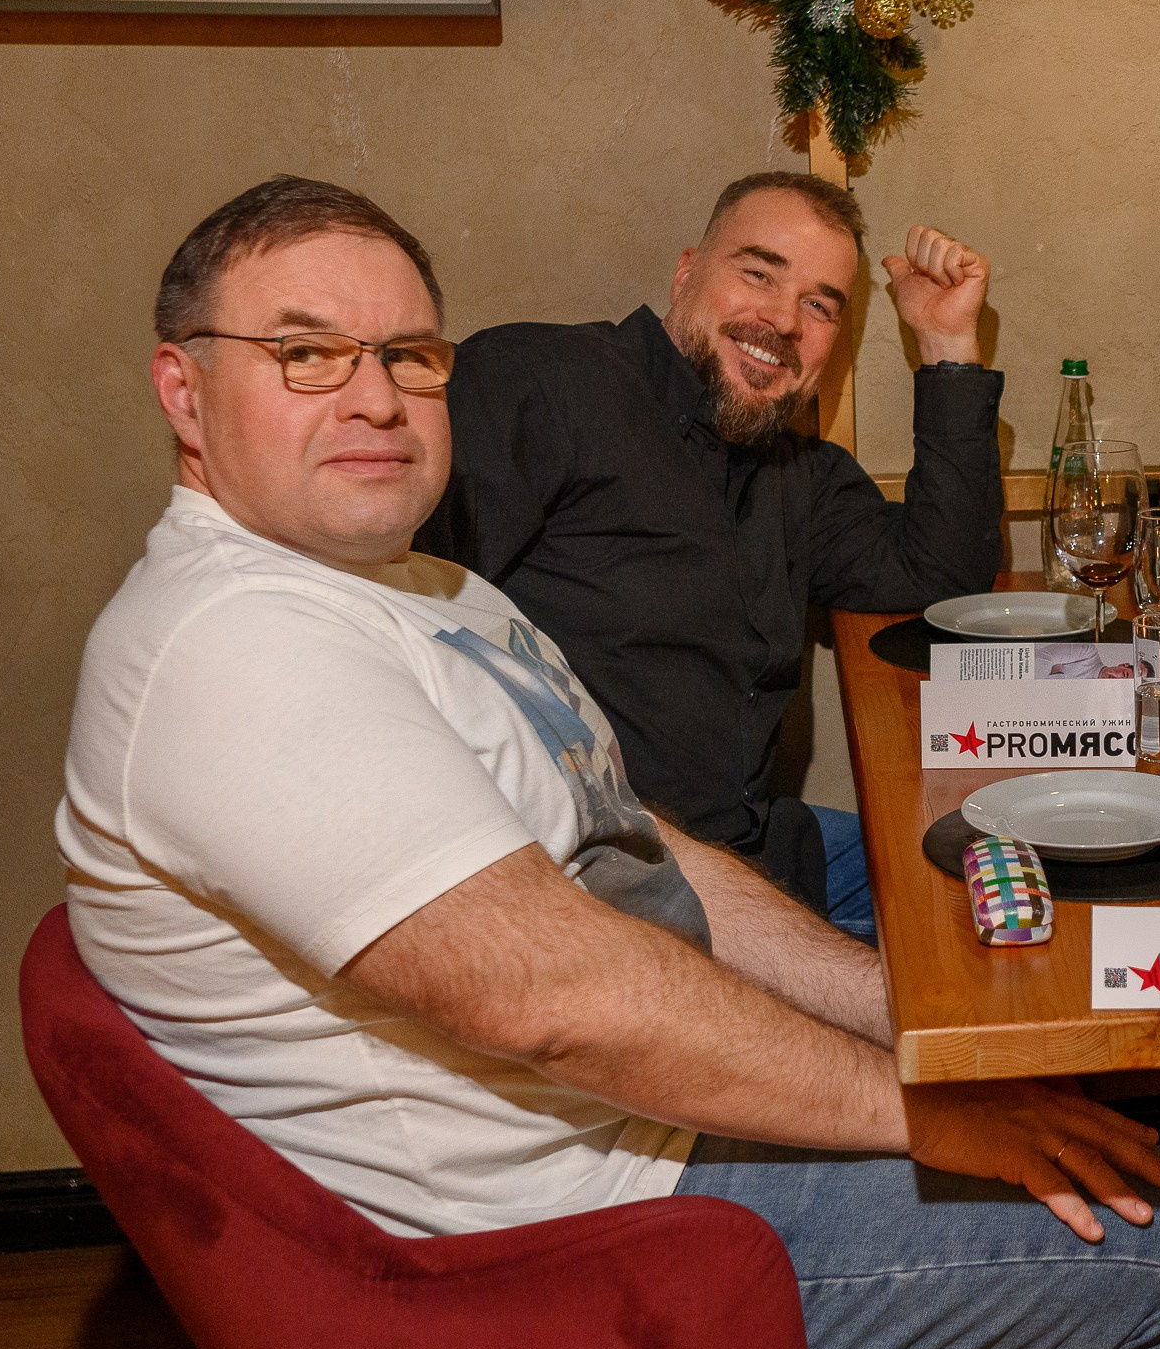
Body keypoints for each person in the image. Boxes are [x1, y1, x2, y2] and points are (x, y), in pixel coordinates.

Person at [59, 177, 1160, 1349]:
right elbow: (558, 999)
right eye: (306, 352)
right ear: (184, 391)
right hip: (548, 1242)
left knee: (989, 960)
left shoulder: (423, 593)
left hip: (617, 1110)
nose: (376, 398)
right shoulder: (241, 647)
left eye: (409, 356)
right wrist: (931, 1106)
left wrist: (899, 1016)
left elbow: (643, 839)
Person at [416, 172, 1005, 939]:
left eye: (821, 304)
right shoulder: (546, 383)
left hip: (758, 856)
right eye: (758, 272)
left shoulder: (800, 479)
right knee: (962, 965)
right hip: (612, 895)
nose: (783, 319)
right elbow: (385, 600)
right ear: (686, 272)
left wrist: (947, 343)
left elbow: (941, 571)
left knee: (1007, 877)